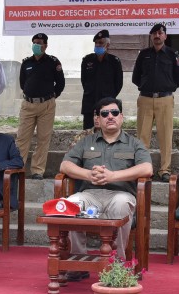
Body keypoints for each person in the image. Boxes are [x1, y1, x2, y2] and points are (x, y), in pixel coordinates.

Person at [60, 97, 152, 280]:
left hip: (121, 194)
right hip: (90, 194)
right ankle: (78, 262)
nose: (110, 116)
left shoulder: (134, 144)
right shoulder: (86, 142)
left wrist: (113, 176)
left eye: (114, 113)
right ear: (97, 119)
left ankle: (116, 264)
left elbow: (147, 169)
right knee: (71, 204)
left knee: (121, 204)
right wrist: (88, 174)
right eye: (105, 114)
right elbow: (65, 166)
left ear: (122, 117)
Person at [132, 23, 179, 182]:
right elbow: (136, 77)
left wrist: (167, 86)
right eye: (154, 33)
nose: (157, 36)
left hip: (165, 100)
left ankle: (165, 170)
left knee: (165, 135)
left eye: (160, 33)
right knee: (142, 136)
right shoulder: (144, 54)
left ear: (165, 36)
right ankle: (143, 169)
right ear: (151, 36)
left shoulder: (172, 54)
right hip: (145, 99)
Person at [15, 33, 65, 180]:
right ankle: (18, 169)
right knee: (22, 139)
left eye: (40, 43)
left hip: (47, 106)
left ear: (46, 45)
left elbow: (60, 83)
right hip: (28, 105)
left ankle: (37, 171)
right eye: (35, 42)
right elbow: (23, 83)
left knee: (43, 139)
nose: (37, 45)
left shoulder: (53, 62)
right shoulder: (26, 63)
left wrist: (51, 96)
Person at [80, 29, 123, 130]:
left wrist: (109, 97)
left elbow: (118, 84)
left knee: (108, 132)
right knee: (88, 133)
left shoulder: (114, 61)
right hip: (89, 103)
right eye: (96, 43)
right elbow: (84, 81)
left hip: (107, 104)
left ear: (107, 45)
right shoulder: (87, 60)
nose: (98, 45)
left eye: (101, 43)